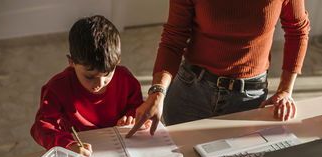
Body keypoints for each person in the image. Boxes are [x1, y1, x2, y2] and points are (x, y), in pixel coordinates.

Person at [126, 0, 310, 138]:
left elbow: (297, 30)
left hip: (248, 98)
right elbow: (174, 37)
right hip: (190, 92)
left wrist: (285, 90)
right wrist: (157, 92)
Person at [31, 15, 150, 157]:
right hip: (83, 153)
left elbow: (137, 108)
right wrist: (67, 145)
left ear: (117, 61)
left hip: (121, 148)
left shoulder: (125, 79)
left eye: (107, 74)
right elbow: (41, 128)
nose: (99, 84)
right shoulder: (57, 89)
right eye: (89, 76)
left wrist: (131, 118)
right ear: (71, 62)